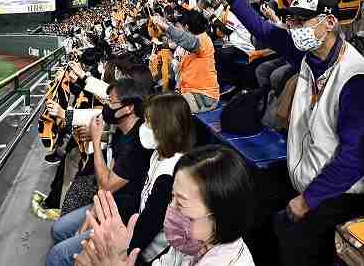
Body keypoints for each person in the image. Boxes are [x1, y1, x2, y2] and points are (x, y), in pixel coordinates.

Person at [211, 0, 364, 265]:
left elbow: (353, 160)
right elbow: (263, 29)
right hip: (304, 177)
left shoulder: (358, 79)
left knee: (291, 237)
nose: (294, 27)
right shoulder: (308, 54)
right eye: (291, 19)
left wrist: (307, 201)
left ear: (330, 22)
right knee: (253, 208)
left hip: (340, 193)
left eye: (302, 20)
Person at [73, 145, 255, 266]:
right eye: (172, 198)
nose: (171, 209)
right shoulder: (190, 243)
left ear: (219, 214)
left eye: (180, 203)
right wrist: (120, 255)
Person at [46, 79, 153, 266]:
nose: (107, 108)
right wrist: (92, 215)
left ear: (128, 108)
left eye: (111, 103)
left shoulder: (135, 145)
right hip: (106, 203)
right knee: (58, 229)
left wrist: (96, 140)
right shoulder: (122, 130)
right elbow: (107, 184)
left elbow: (106, 184)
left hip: (120, 216)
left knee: (57, 255)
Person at [127, 94, 193, 265]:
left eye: (149, 123)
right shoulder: (157, 154)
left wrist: (124, 251)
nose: (144, 127)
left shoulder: (171, 176)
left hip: (147, 254)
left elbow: (148, 227)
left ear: (165, 128)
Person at [151, 11, 219, 113]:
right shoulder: (189, 46)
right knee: (158, 102)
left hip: (204, 97)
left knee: (165, 110)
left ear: (186, 27)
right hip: (189, 92)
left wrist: (164, 25)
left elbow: (185, 39)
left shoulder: (203, 40)